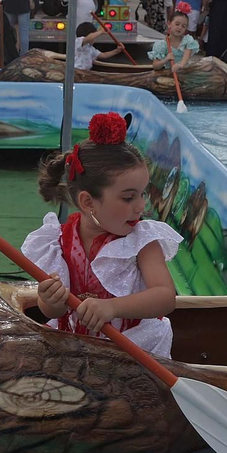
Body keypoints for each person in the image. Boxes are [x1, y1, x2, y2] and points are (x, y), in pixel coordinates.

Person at [25, 112, 180, 356]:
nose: (141, 206)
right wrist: (50, 301)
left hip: (135, 349)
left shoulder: (142, 240)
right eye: (129, 197)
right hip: (75, 347)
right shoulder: (57, 242)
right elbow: (52, 312)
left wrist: (112, 307)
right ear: (88, 202)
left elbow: (165, 297)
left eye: (142, 194)